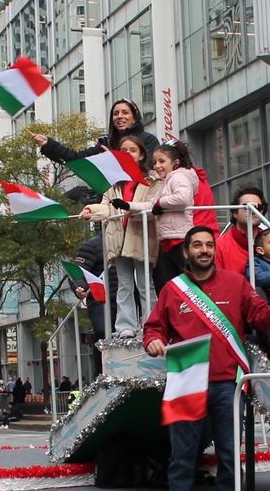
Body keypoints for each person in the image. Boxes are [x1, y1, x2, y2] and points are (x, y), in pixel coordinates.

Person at [142, 226, 270, 491]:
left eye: (209, 244)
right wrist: (154, 341)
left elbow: (260, 318)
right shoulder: (172, 289)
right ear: (186, 252)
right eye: (197, 245)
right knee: (182, 455)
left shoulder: (236, 283)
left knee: (227, 452)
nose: (204, 250)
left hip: (227, 382)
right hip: (186, 379)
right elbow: (154, 327)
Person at [80, 135, 160, 337]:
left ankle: (152, 325)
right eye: (123, 151)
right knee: (124, 284)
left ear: (141, 155)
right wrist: (91, 210)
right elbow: (106, 207)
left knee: (145, 284)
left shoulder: (152, 180)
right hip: (118, 239)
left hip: (141, 236)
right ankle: (125, 326)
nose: (127, 154)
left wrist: (132, 208)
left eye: (132, 150)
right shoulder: (114, 183)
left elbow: (154, 206)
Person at [112, 139, 197, 296]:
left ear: (176, 163)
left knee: (184, 287)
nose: (157, 166)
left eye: (162, 161)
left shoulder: (179, 177)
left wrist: (160, 203)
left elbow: (183, 198)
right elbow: (152, 205)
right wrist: (128, 206)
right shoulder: (166, 181)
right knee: (165, 286)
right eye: (155, 162)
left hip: (179, 239)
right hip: (166, 240)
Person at [215, 187, 269, 275]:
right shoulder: (220, 245)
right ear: (235, 213)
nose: (252, 210)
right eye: (246, 207)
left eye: (258, 207)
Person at [72, 234, 109, 343]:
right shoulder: (93, 245)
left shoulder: (129, 240)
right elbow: (77, 271)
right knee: (103, 333)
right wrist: (80, 287)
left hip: (126, 297)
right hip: (100, 300)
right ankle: (101, 358)